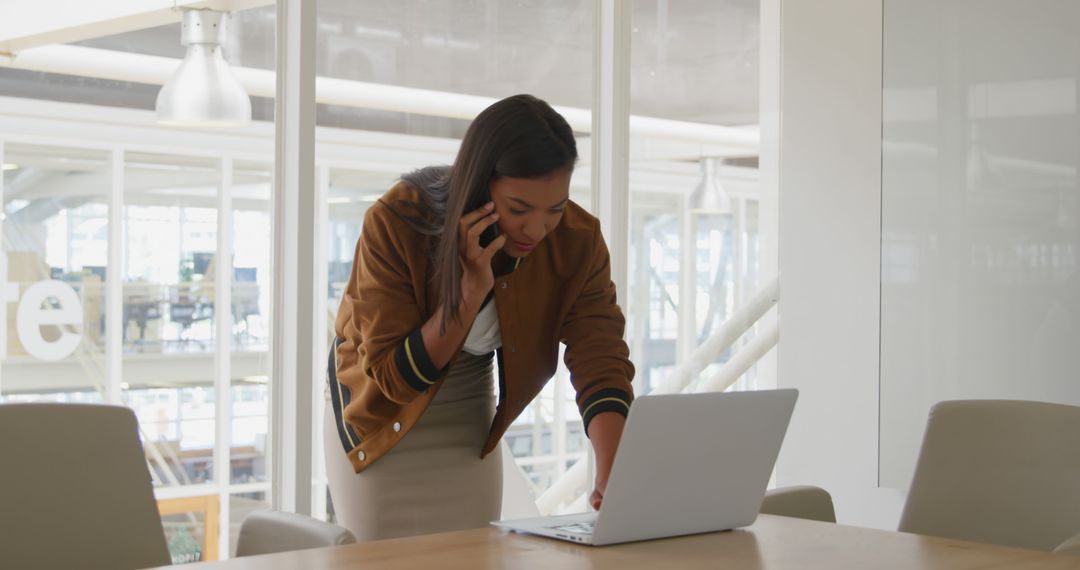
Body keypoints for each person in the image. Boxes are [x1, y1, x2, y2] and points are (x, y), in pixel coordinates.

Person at [324, 94, 635, 542]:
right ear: (479, 185)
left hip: (470, 401)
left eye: (556, 208)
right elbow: (392, 378)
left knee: (472, 554)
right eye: (519, 209)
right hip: (376, 406)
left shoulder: (576, 241)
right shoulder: (396, 221)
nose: (536, 229)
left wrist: (611, 470)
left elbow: (600, 353)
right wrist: (469, 293)